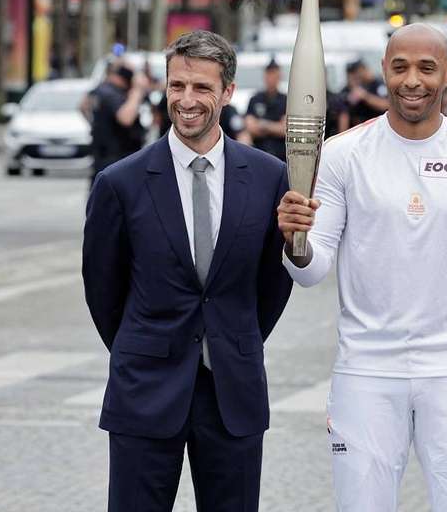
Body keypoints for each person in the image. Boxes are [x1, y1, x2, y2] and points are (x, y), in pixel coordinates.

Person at [277, 23, 447, 511]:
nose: (413, 80)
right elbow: (312, 267)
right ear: (384, 70)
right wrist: (295, 241)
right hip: (366, 370)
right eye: (400, 66)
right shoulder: (344, 155)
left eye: (427, 68)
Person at [82, 30, 293, 512]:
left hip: (232, 393)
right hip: (145, 391)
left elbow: (272, 281)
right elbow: (102, 289)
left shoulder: (266, 177)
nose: (187, 100)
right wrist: (145, 346)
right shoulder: (120, 183)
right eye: (177, 86)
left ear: (228, 92)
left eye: (201, 88)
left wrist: (234, 336)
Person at [88, 63, 148, 182]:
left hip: (104, 157)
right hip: (116, 159)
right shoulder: (112, 93)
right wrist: (137, 91)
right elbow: (126, 118)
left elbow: (83, 106)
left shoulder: (100, 89)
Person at [245, 58, 287, 159]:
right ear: (265, 76)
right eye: (269, 75)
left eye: (274, 75)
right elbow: (250, 127)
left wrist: (263, 125)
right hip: (258, 152)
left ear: (279, 77)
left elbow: (285, 129)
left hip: (280, 155)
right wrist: (275, 127)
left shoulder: (286, 100)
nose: (271, 78)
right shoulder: (255, 99)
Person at [335, 59, 389, 132]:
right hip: (358, 130)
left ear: (364, 69)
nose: (357, 75)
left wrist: (365, 96)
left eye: (357, 72)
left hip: (379, 127)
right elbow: (343, 112)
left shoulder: (378, 83)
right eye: (352, 74)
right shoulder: (349, 89)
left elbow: (386, 105)